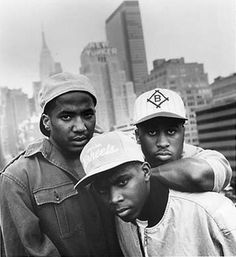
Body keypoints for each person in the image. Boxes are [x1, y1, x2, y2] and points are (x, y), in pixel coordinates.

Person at [0, 72, 123, 256]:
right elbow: (21, 250)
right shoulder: (19, 177)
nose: (81, 126)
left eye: (87, 115)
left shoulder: (110, 158)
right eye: (67, 117)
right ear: (46, 122)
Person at [75, 131, 236, 256]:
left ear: (146, 171)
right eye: (103, 190)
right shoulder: (121, 220)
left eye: (122, 182)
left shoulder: (212, 211)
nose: (114, 198)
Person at [134, 88, 232, 192]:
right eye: (152, 132)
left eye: (171, 131)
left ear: (183, 132)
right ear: (137, 136)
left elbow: (197, 175)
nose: (162, 143)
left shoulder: (205, 157)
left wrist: (139, 177)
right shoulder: (130, 160)